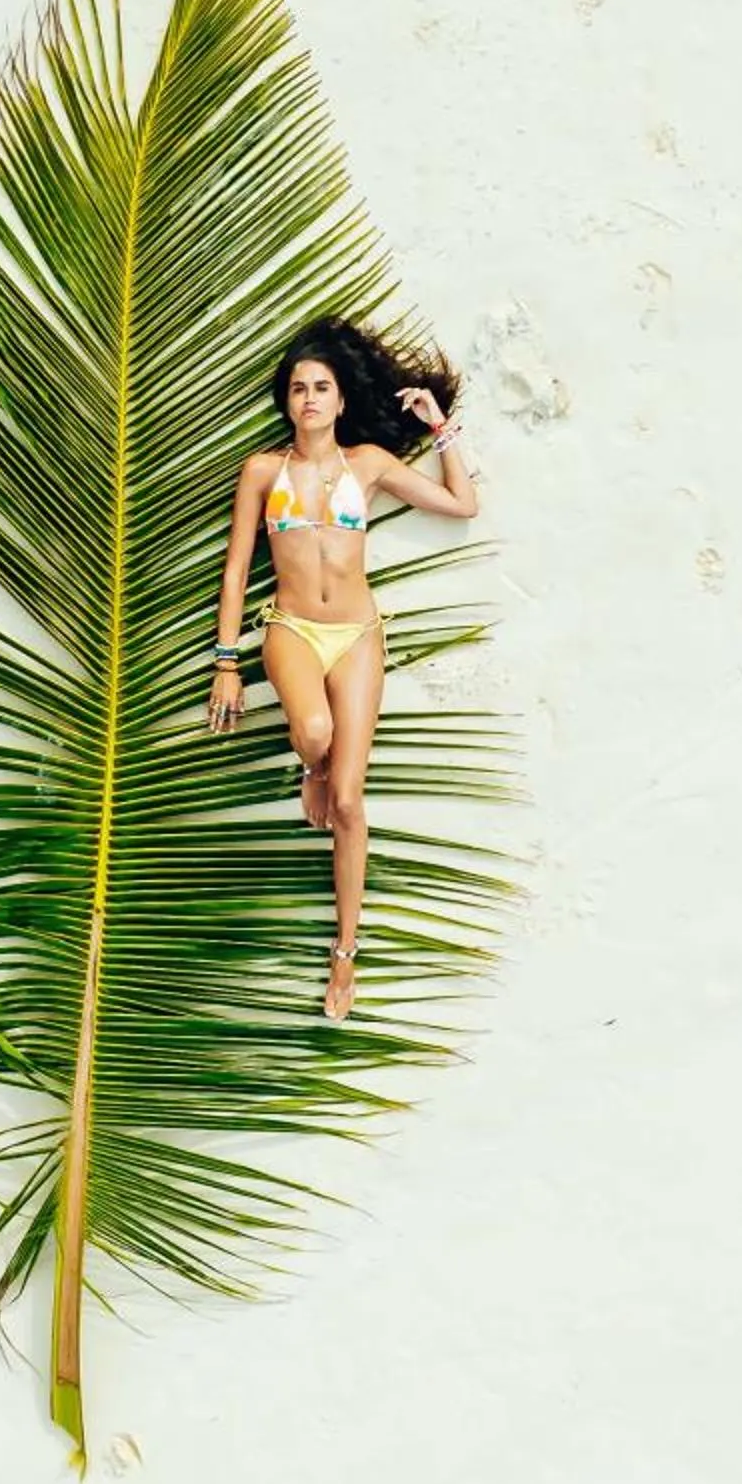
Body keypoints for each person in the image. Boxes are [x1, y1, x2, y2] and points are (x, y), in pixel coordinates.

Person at [205, 316, 480, 1021]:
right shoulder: (264, 472)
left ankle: (344, 955)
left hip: (358, 635)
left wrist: (439, 426)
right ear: (286, 401)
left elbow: (461, 505)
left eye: (321, 387)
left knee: (353, 805)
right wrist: (227, 662)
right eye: (298, 389)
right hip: (292, 629)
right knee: (317, 731)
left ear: (341, 399)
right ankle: (314, 764)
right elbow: (237, 569)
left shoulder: (369, 465)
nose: (309, 399)